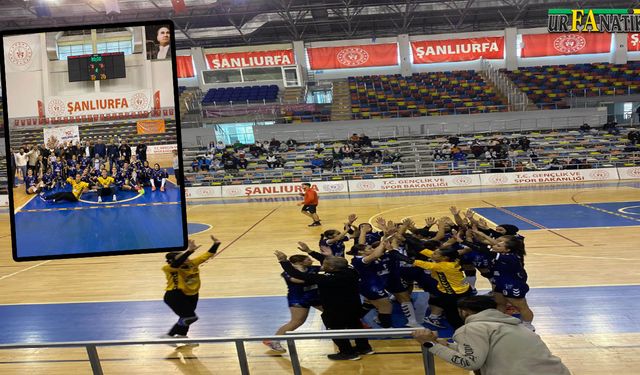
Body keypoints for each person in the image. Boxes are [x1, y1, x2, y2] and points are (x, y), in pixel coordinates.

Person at [412, 295, 571, 375]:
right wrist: (444, 344)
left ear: (464, 312)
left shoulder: (472, 328)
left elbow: (470, 362)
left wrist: (430, 344)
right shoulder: (512, 325)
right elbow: (486, 349)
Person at [274, 249, 373, 361]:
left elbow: (297, 275)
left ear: (331, 268)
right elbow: (334, 264)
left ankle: (347, 353)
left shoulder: (325, 279)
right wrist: (317, 253)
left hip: (335, 309)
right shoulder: (351, 271)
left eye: (325, 264)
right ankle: (364, 348)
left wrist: (283, 261)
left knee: (336, 330)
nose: (322, 265)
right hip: (353, 306)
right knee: (356, 325)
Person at [162, 235, 221, 342]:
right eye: (183, 257)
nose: (187, 258)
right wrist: (189, 251)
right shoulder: (169, 268)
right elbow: (176, 264)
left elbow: (207, 255)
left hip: (192, 295)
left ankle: (182, 336)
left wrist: (216, 244)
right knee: (190, 317)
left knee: (185, 317)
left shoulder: (192, 264)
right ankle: (169, 336)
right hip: (175, 295)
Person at [263, 254, 322, 353]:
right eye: (308, 259)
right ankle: (273, 341)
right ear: (299, 262)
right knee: (297, 322)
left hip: (315, 296)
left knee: (334, 313)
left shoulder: (312, 269)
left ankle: (346, 333)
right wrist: (320, 278)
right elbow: (299, 280)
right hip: (298, 299)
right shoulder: (287, 272)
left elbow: (330, 266)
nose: (311, 260)